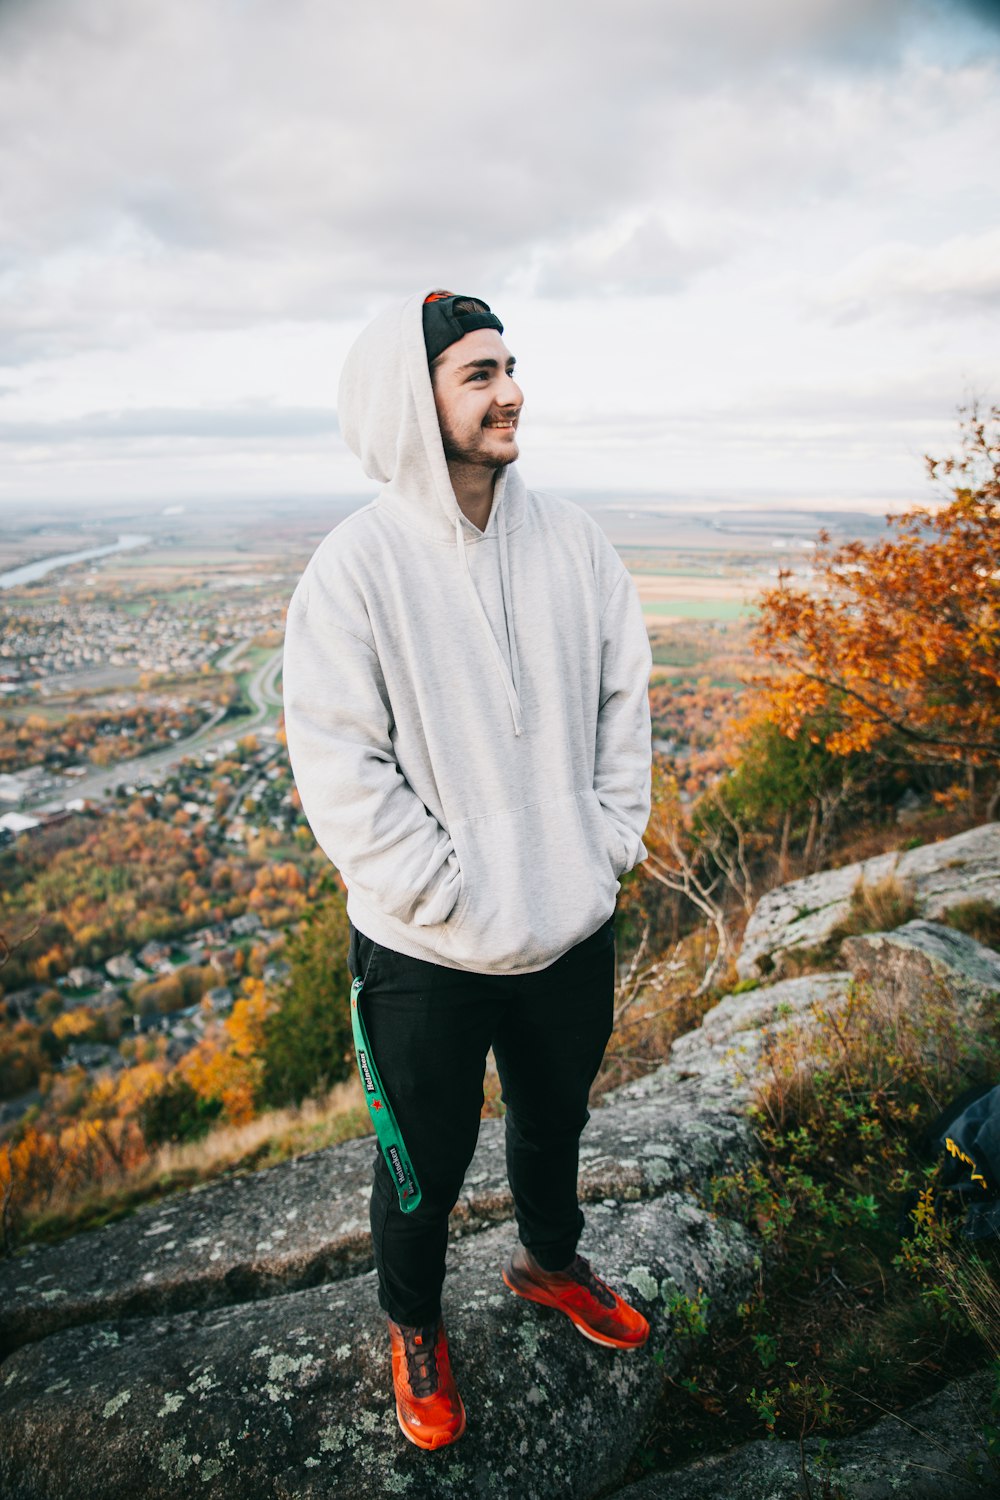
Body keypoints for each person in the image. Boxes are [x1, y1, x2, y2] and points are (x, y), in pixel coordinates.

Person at [281, 289, 653, 1451]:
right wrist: (444, 892)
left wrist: (604, 846)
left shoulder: (573, 541)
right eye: (478, 375)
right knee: (420, 1166)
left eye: (509, 367)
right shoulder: (355, 571)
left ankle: (548, 1264)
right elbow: (340, 764)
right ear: (416, 400)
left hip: (566, 926)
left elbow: (622, 703)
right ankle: (414, 1325)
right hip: (426, 950)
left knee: (553, 1120)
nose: (510, 392)